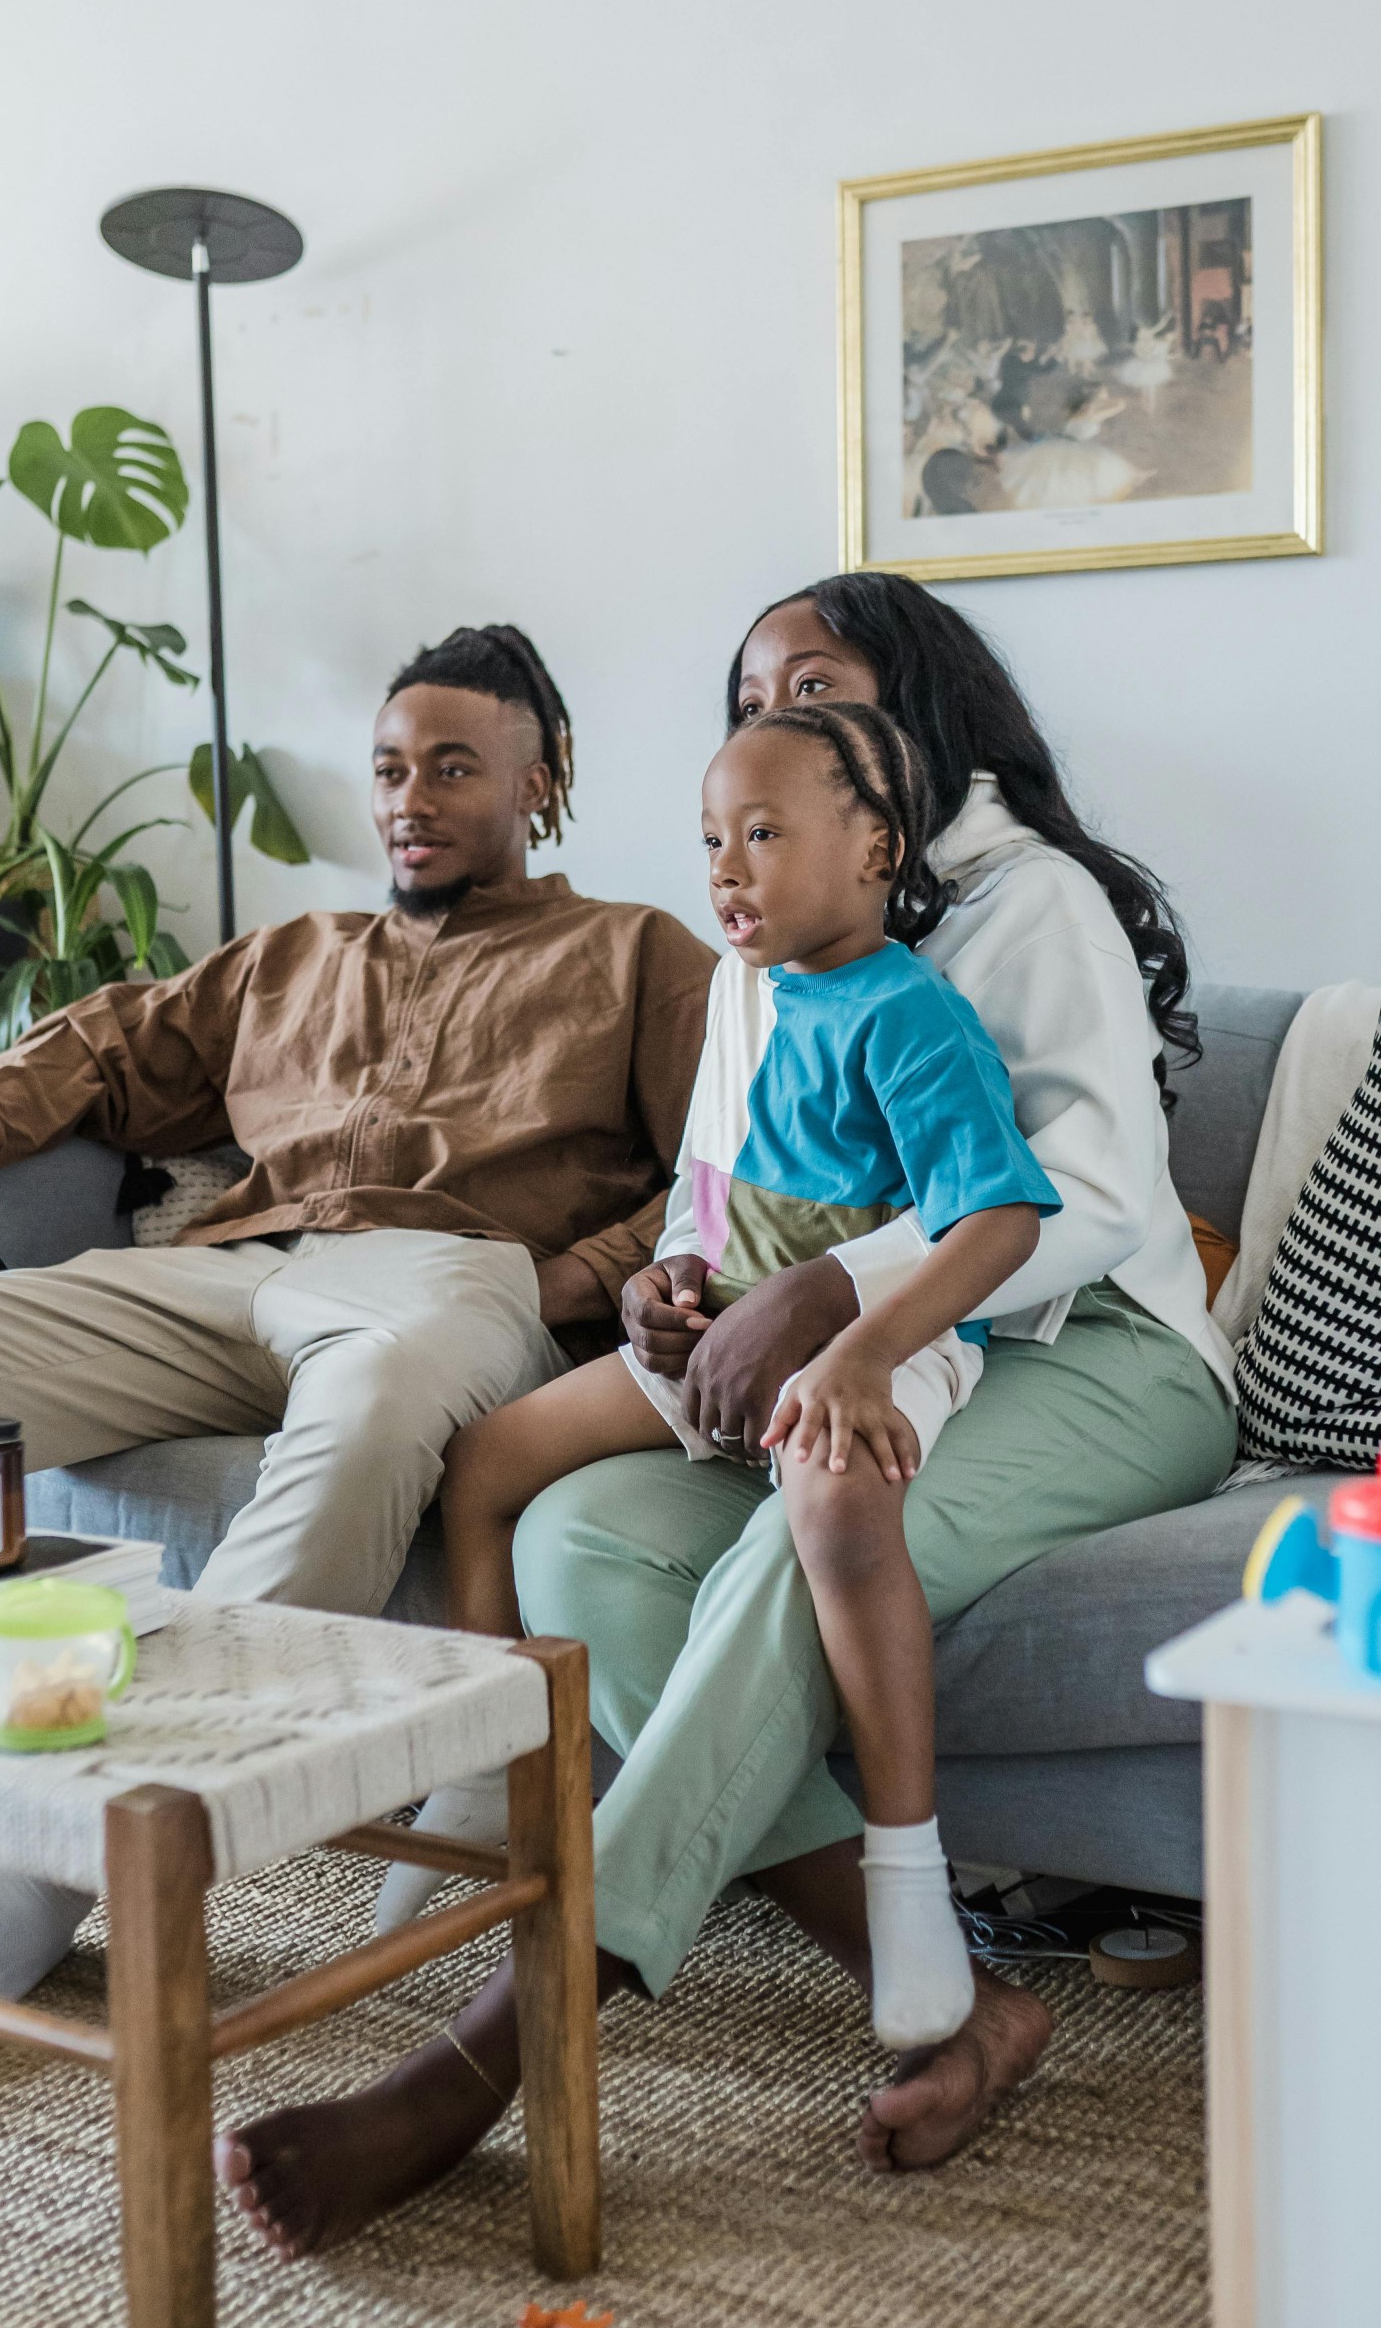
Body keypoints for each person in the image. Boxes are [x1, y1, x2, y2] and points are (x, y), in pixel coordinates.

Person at [218, 574, 1239, 2258]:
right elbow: (722, 1181)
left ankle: (491, 2053)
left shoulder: (1025, 902)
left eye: (822, 681)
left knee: (800, 1544)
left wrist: (828, 1300)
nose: (784, 712)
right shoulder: (768, 933)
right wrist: (673, 1285)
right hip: (863, 1346)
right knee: (582, 1539)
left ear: (910, 718)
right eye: (754, 692)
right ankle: (963, 2000)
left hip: (1099, 1349)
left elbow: (1094, 1204)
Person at [0, 623, 714, 2109]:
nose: (410, 799)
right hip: (232, 1270)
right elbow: (108, 1044)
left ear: (538, 784)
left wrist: (579, 1279)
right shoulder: (297, 957)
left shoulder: (637, 954)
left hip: (450, 1278)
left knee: (367, 1414)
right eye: (387, 769)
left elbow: (722, 1174)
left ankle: (58, 1877)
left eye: (452, 767)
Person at [391, 700, 1057, 2052]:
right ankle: (490, 1775)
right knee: (486, 1461)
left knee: (834, 1506)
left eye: (763, 835)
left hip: (887, 1344)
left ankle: (913, 1878)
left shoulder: (913, 1017)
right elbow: (705, 1209)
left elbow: (1001, 1220)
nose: (727, 872)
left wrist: (864, 1353)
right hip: (737, 1334)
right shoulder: (749, 996)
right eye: (710, 841)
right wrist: (659, 1293)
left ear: (876, 848)